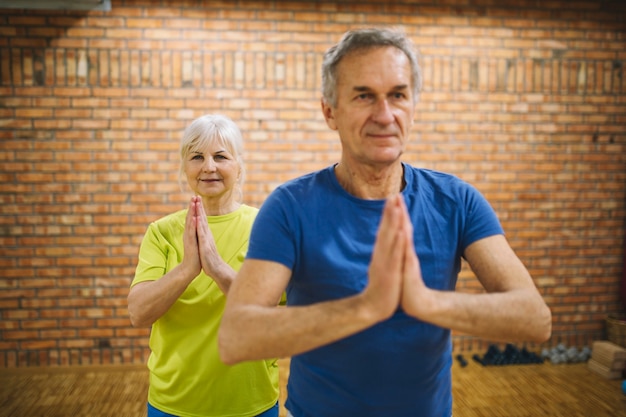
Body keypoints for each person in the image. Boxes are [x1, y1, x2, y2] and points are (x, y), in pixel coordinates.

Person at [218, 27, 552, 417]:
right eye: (364, 96)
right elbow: (236, 337)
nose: (385, 114)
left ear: (414, 105)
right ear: (330, 111)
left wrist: (424, 301)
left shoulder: (457, 201)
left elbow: (534, 318)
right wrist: (366, 307)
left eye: (398, 95)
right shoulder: (290, 207)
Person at [127, 114, 280, 417]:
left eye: (220, 156)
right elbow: (139, 312)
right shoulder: (162, 231)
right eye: (197, 156)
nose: (209, 166)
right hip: (173, 403)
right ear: (185, 167)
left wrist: (216, 267)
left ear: (238, 166)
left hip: (251, 402)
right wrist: (187, 269)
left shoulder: (267, 226)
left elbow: (271, 310)